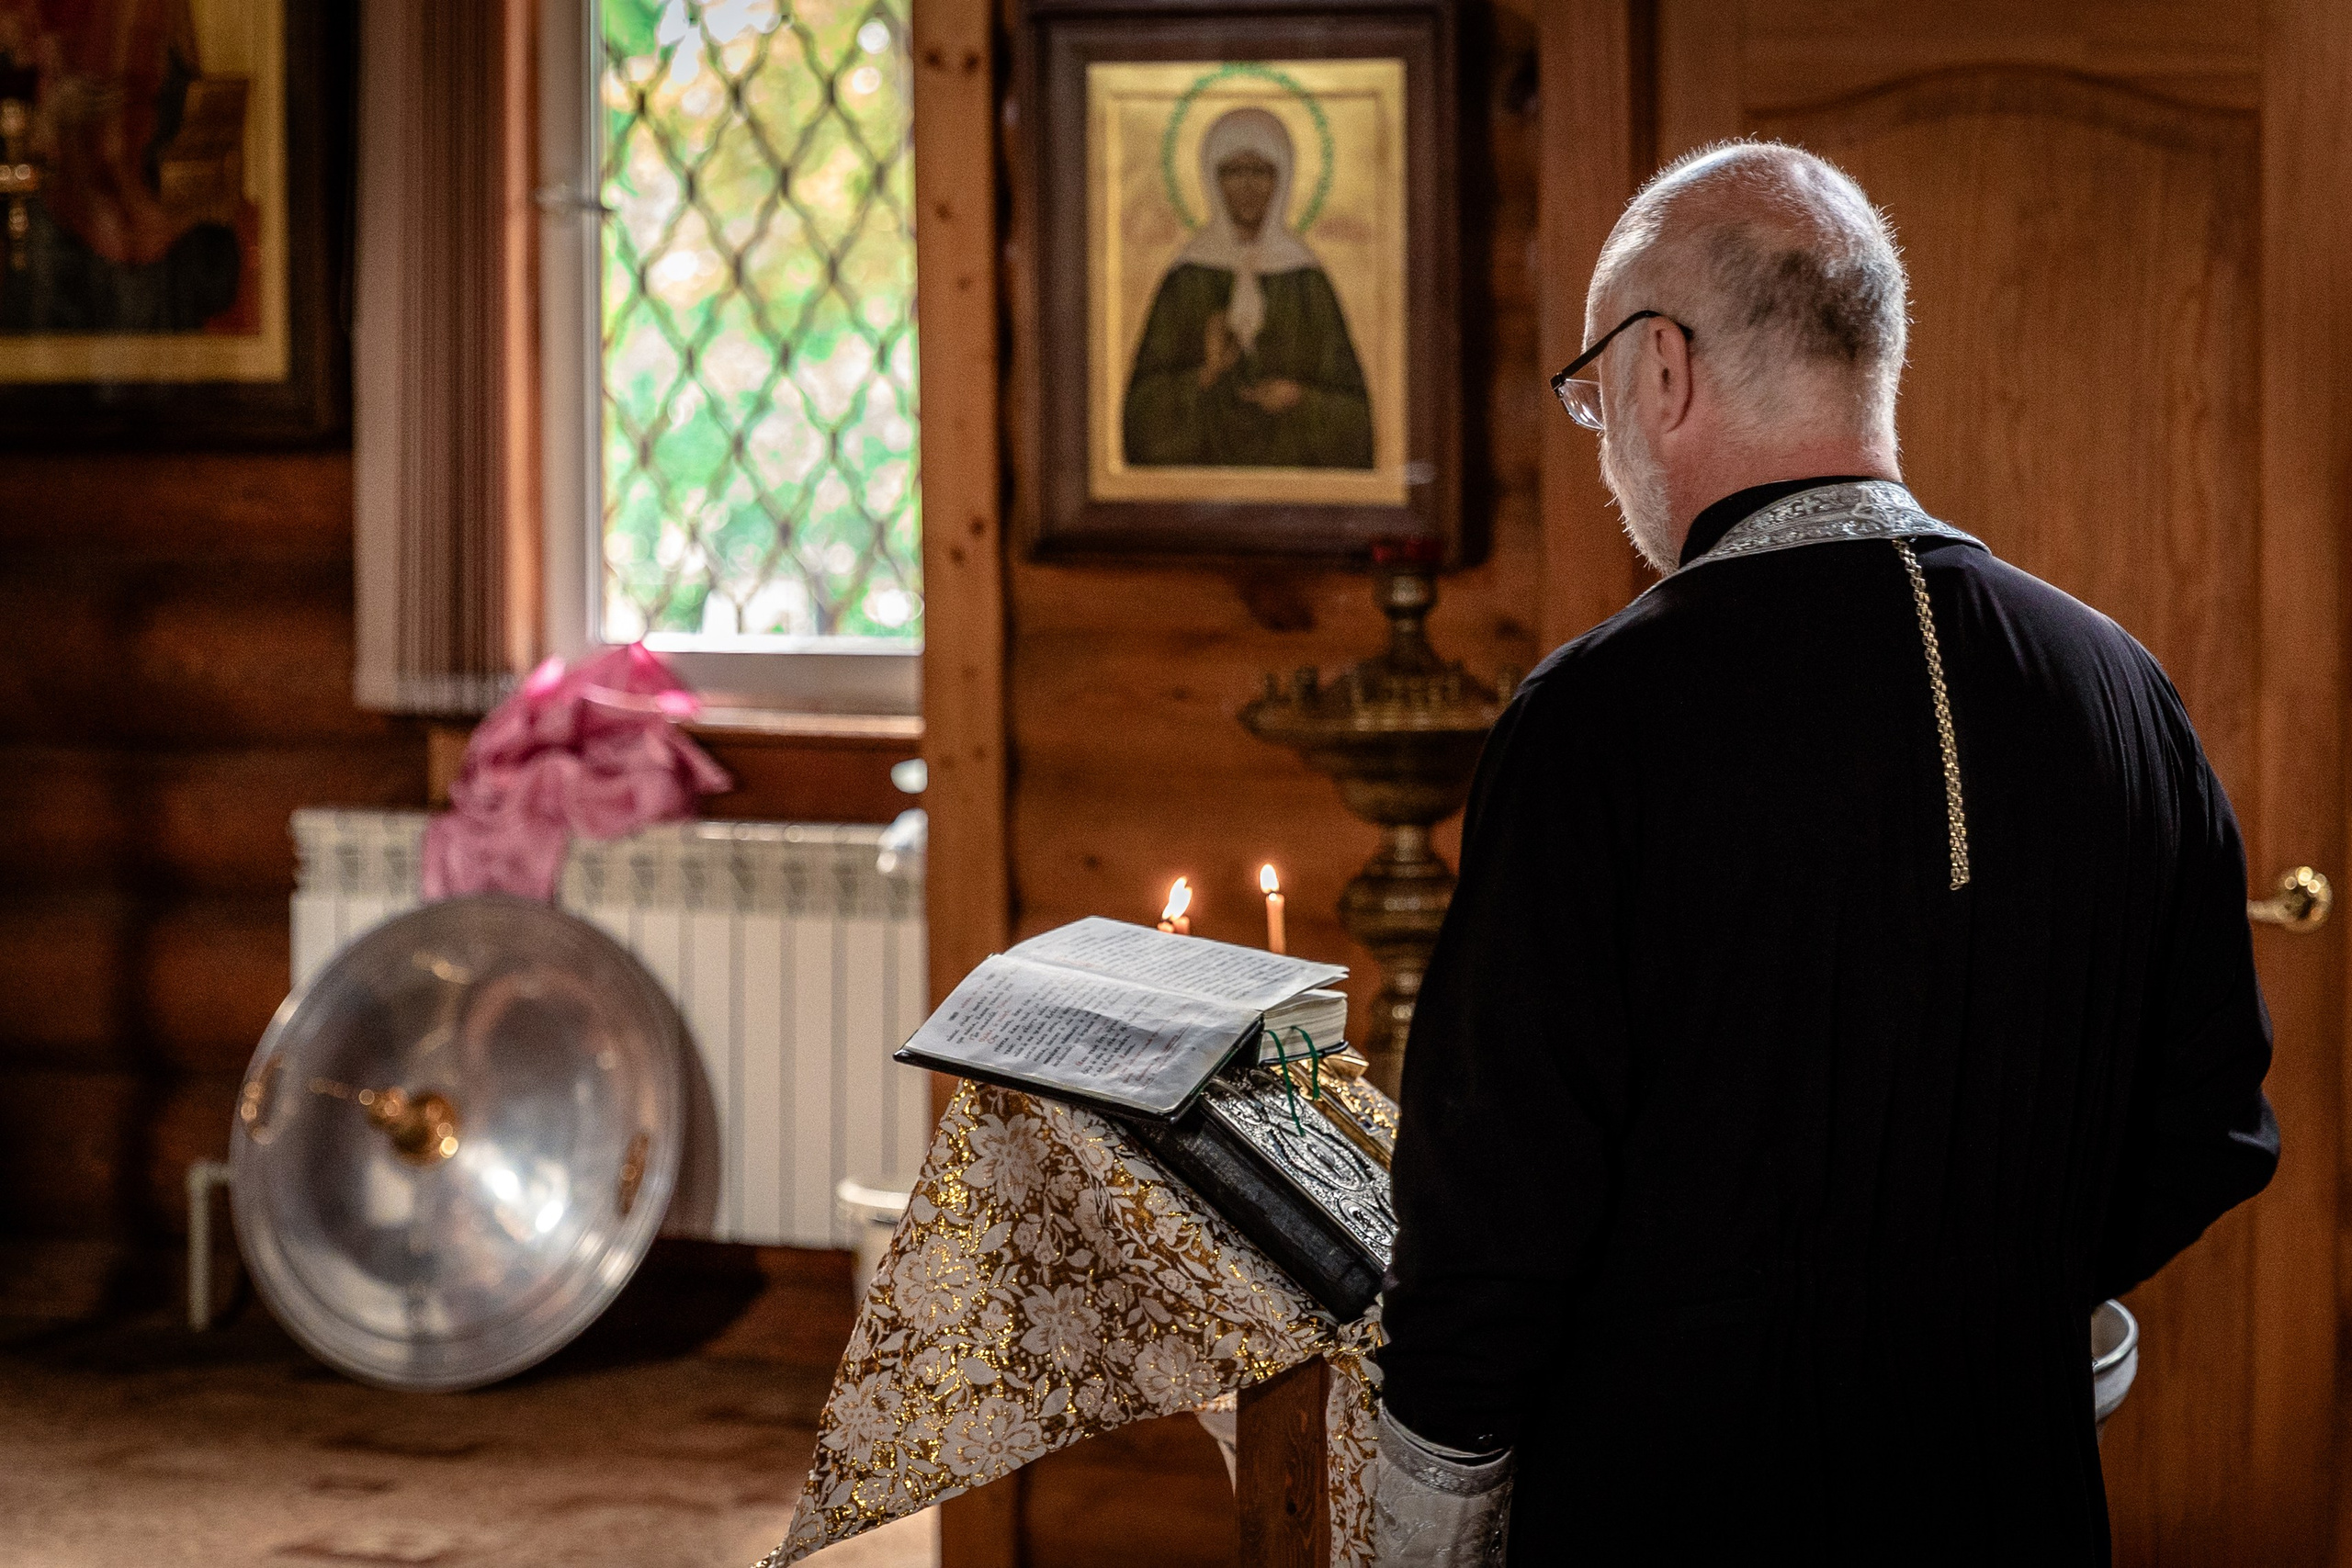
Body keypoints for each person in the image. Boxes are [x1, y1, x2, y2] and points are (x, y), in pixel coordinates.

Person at [1370, 141, 2279, 1564]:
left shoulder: (1597, 719)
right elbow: (2215, 1122)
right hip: (2008, 1496)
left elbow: (1493, 1211)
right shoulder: (2118, 686)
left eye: (1595, 391)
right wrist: (1986, 1287)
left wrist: (1426, 1530)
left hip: (1673, 1504)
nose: (1603, 436)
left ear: (1660, 368)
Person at [1121, 105, 1374, 469]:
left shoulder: (1305, 279)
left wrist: (1298, 398)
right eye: (1232, 171)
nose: (1247, 185)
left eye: (1261, 171)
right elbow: (1139, 419)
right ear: (1211, 178)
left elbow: (1357, 420)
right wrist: (1205, 375)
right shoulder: (1186, 278)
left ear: (1283, 178)